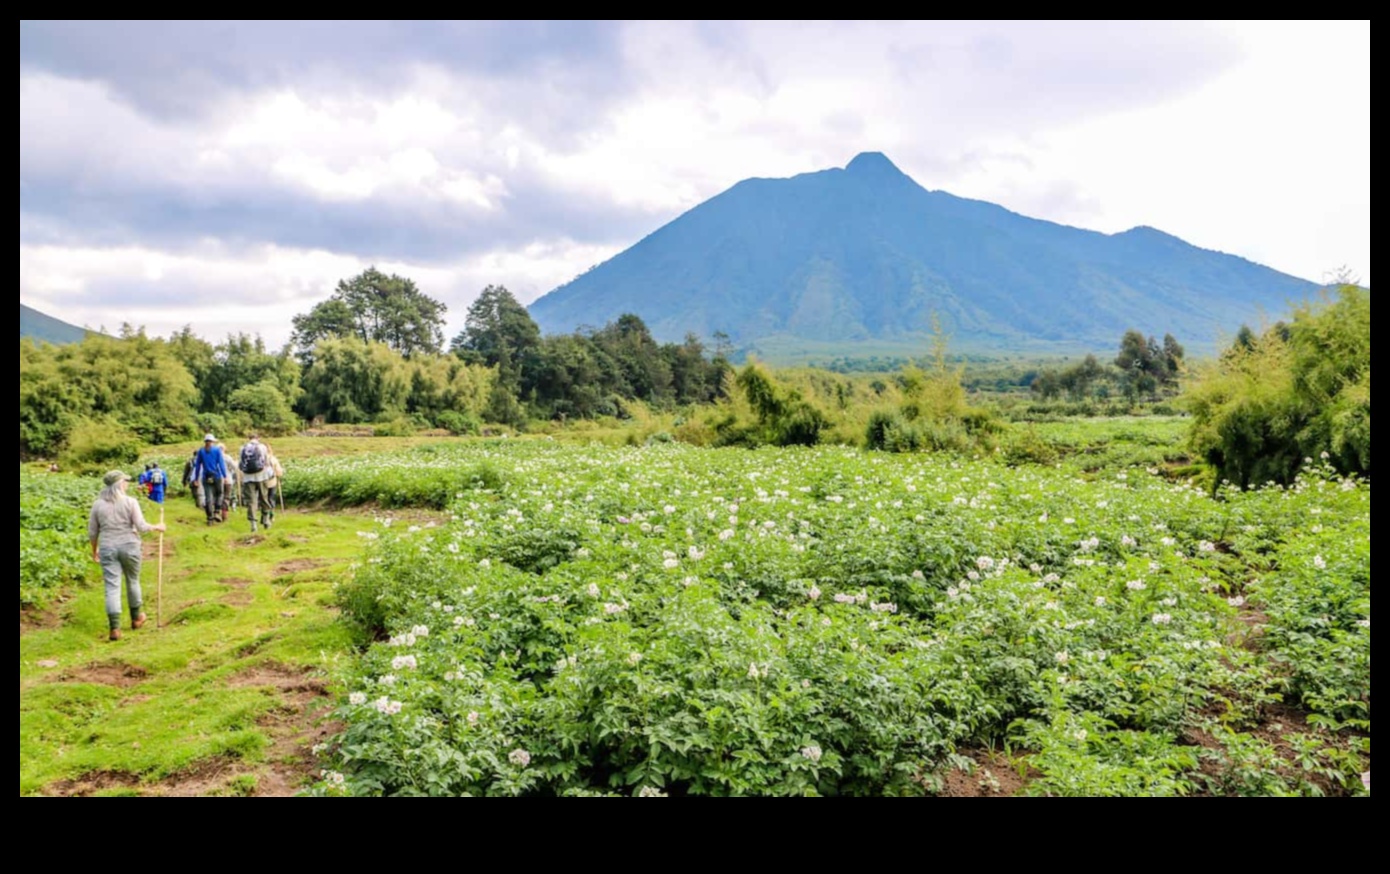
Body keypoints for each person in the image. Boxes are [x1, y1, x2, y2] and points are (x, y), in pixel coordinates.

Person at [87, 470, 166, 641]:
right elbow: (141, 526)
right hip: (129, 545)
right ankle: (137, 618)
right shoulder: (130, 502)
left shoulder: (98, 505)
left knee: (112, 586)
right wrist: (157, 526)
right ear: (119, 484)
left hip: (108, 547)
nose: (127, 484)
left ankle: (115, 628)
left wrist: (94, 551)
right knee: (133, 580)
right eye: (125, 481)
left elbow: (92, 532)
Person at [238, 433, 273, 532]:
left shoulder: (242, 448)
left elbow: (240, 464)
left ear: (248, 438)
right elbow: (266, 462)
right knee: (264, 498)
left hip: (248, 478)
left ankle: (253, 524)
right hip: (262, 476)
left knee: (251, 501)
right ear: (259, 438)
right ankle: (266, 520)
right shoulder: (262, 447)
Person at [191, 434, 226, 525]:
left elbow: (198, 466)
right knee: (220, 493)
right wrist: (224, 475)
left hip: (206, 476)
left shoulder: (201, 451)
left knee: (208, 497)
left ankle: (209, 519)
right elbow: (221, 464)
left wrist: (196, 478)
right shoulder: (217, 450)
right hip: (216, 475)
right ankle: (216, 512)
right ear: (212, 442)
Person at [263, 441, 285, 527]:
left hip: (261, 482)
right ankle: (271, 515)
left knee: (263, 499)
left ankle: (265, 515)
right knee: (271, 498)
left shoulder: (260, 459)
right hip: (272, 482)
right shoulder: (273, 459)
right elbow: (279, 471)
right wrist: (278, 474)